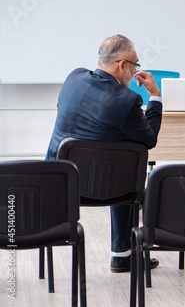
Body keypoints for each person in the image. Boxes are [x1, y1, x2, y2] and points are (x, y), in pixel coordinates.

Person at [46, 34, 162, 272]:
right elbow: (149, 139)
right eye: (135, 65)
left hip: (60, 182)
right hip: (109, 189)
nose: (136, 71)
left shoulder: (73, 78)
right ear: (122, 65)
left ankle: (123, 254)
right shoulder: (127, 100)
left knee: (117, 149)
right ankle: (123, 254)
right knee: (129, 160)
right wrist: (155, 96)